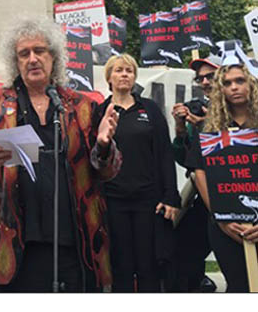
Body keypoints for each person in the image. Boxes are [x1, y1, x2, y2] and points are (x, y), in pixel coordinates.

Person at [0, 18, 121, 293]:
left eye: (40, 51)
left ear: (54, 57)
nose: (33, 59)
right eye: (24, 53)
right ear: (16, 61)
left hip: (76, 241)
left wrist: (105, 145)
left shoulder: (82, 106)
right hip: (18, 244)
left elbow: (107, 171)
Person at [95, 54, 180, 292]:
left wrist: (170, 195)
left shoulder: (149, 109)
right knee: (121, 266)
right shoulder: (99, 111)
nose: (124, 74)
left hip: (148, 201)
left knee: (149, 266)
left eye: (129, 71)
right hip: (113, 201)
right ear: (109, 77)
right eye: (119, 70)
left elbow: (164, 153)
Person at [191, 63, 258, 292]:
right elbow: (199, 173)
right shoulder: (209, 128)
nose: (234, 87)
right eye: (227, 83)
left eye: (240, 80)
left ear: (251, 83)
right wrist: (222, 217)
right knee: (238, 286)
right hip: (225, 228)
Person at [170, 55, 220, 292]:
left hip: (242, 194)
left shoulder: (244, 106)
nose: (205, 82)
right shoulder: (200, 109)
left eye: (210, 76)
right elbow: (184, 159)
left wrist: (205, 126)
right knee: (185, 248)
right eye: (201, 78)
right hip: (207, 196)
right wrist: (182, 129)